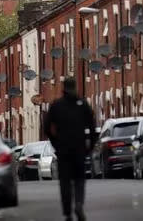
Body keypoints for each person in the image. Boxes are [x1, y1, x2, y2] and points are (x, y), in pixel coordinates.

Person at [44, 76, 97, 221]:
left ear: (63, 88)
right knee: (79, 179)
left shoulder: (56, 105)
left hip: (63, 149)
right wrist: (89, 146)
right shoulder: (83, 104)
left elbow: (47, 127)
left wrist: (56, 143)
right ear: (75, 88)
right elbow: (92, 127)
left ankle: (67, 212)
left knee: (65, 181)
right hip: (79, 148)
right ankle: (79, 204)